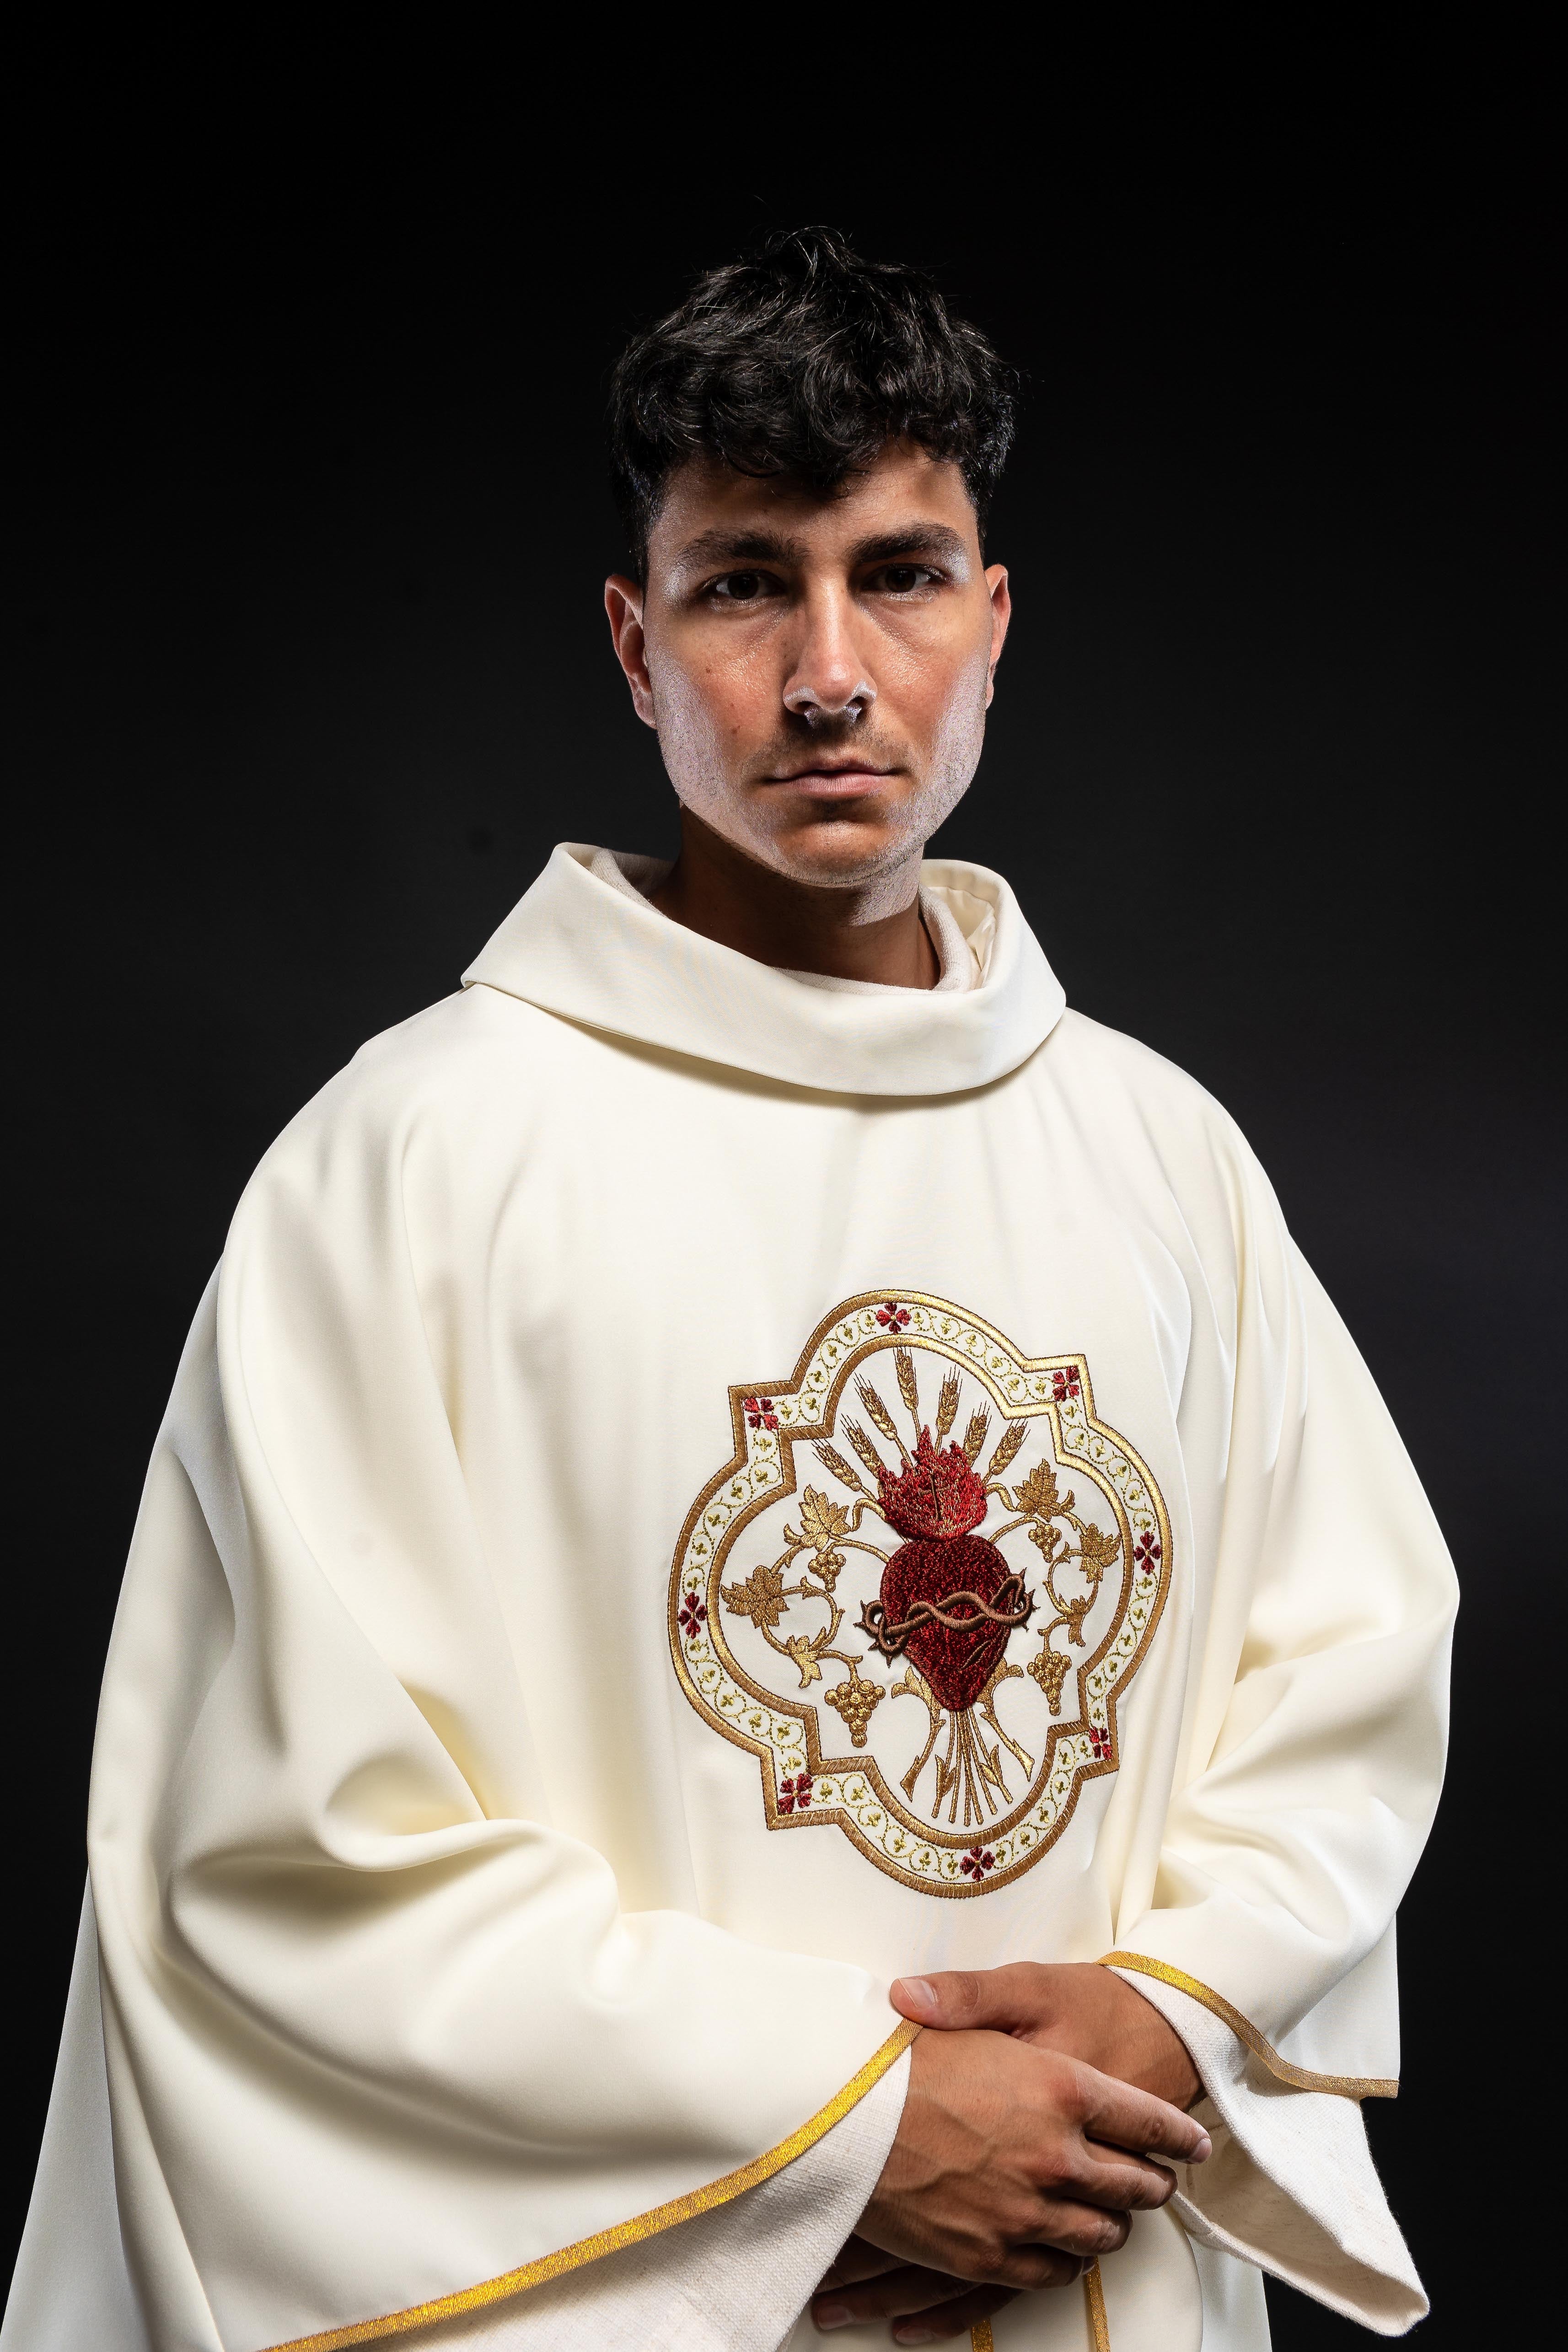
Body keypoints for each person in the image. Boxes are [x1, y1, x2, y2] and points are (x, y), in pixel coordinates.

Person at [3, 227, 1455, 2352]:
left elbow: (1340, 1668)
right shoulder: (411, 1159)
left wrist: (1173, 2002)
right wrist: (842, 2123)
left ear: (994, 615)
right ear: (632, 637)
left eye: (900, 570)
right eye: (745, 580)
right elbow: (283, 1841)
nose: (831, 671)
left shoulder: (1158, 1153)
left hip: (1091, 2258)